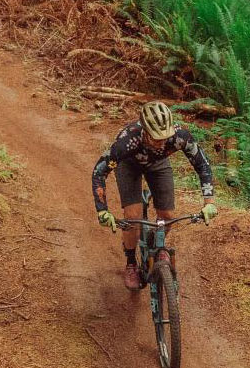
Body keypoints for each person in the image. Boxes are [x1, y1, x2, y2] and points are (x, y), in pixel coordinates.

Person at [91, 101, 218, 290]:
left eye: (165, 137)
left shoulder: (180, 136)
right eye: (156, 138)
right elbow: (99, 172)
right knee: (133, 218)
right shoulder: (127, 141)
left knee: (167, 217)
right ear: (145, 131)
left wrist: (209, 202)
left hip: (158, 165)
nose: (162, 143)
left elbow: (203, 165)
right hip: (129, 165)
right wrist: (102, 210)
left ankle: (156, 243)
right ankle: (131, 263)